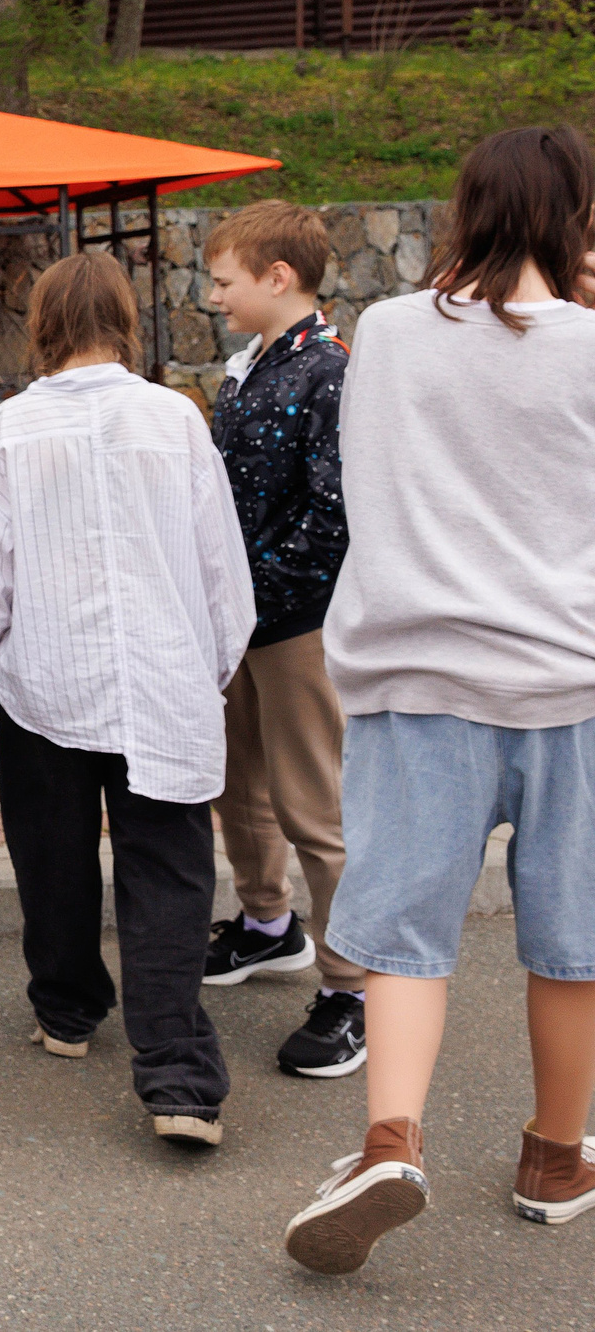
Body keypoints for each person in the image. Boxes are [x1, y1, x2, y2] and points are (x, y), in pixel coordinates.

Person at [283, 126, 595, 1275]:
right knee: (572, 944)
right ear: (577, 215)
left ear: (461, 212)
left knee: (406, 934)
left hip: (419, 678)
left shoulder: (395, 338)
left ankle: (388, 1138)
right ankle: (555, 1158)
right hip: (574, 681)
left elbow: (367, 477)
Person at [0, 250, 255, 1150]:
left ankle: (69, 1010)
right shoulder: (176, 417)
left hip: (44, 680)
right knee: (168, 873)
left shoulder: (12, 426)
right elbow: (219, 569)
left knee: (53, 861)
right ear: (125, 317)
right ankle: (178, 1078)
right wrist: (212, 667)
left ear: (41, 323)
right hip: (164, 681)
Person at [199, 200, 369, 1078]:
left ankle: (352, 989)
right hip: (243, 622)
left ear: (278, 278)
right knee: (240, 785)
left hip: (296, 624)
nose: (213, 293)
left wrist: (253, 592)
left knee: (314, 806)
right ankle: (269, 923)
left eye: (224, 279)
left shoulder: (330, 374)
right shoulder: (252, 366)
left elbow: (332, 513)